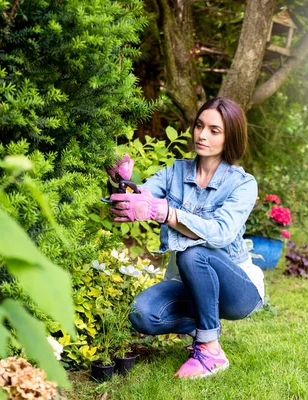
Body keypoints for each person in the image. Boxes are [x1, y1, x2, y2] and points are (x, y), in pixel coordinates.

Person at [107, 97, 263, 379]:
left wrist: (167, 214)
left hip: (238, 290)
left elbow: (221, 233)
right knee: (142, 313)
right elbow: (143, 195)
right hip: (187, 282)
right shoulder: (176, 172)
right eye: (200, 126)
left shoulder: (242, 183)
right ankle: (206, 324)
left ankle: (210, 351)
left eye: (215, 130)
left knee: (193, 252)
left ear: (231, 137)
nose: (202, 135)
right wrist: (122, 184)